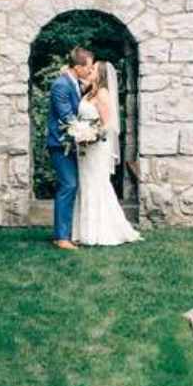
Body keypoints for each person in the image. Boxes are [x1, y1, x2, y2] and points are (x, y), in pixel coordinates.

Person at [71, 60, 141, 246]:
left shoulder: (102, 93)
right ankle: (83, 231)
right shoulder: (88, 92)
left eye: (93, 69)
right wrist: (80, 132)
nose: (90, 70)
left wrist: (91, 135)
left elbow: (108, 124)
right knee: (85, 185)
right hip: (84, 148)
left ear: (100, 74)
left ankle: (100, 231)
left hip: (96, 147)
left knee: (97, 185)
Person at [46, 46, 93, 250]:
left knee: (70, 186)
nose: (90, 71)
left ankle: (64, 234)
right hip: (60, 143)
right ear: (77, 66)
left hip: (70, 144)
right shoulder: (61, 85)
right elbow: (67, 116)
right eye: (88, 67)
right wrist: (87, 132)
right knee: (68, 185)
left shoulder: (73, 83)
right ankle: (62, 237)